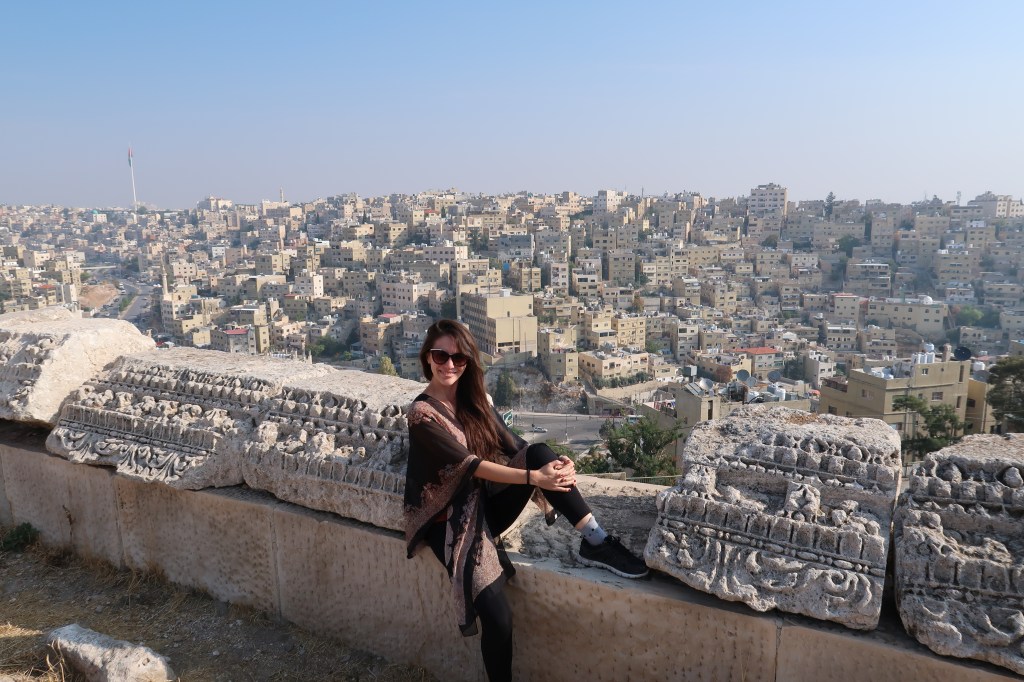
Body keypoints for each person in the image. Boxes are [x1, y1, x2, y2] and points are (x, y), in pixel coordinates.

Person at [404, 319, 647, 682]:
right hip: (448, 520)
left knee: (540, 452)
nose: (449, 364)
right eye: (441, 355)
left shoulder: (474, 401)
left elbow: (517, 446)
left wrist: (559, 466)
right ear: (427, 357)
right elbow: (470, 465)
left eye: (459, 357)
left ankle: (596, 541)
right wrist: (535, 479)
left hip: (483, 505)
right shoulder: (422, 414)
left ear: (469, 362)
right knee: (498, 616)